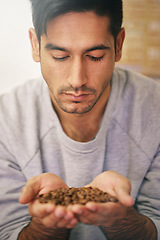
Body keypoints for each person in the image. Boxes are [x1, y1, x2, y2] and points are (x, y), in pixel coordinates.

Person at [0, 0, 160, 239]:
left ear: (118, 44)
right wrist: (46, 226)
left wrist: (121, 220)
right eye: (60, 55)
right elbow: (7, 232)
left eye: (94, 56)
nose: (77, 80)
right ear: (35, 45)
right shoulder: (7, 119)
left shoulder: (155, 109)